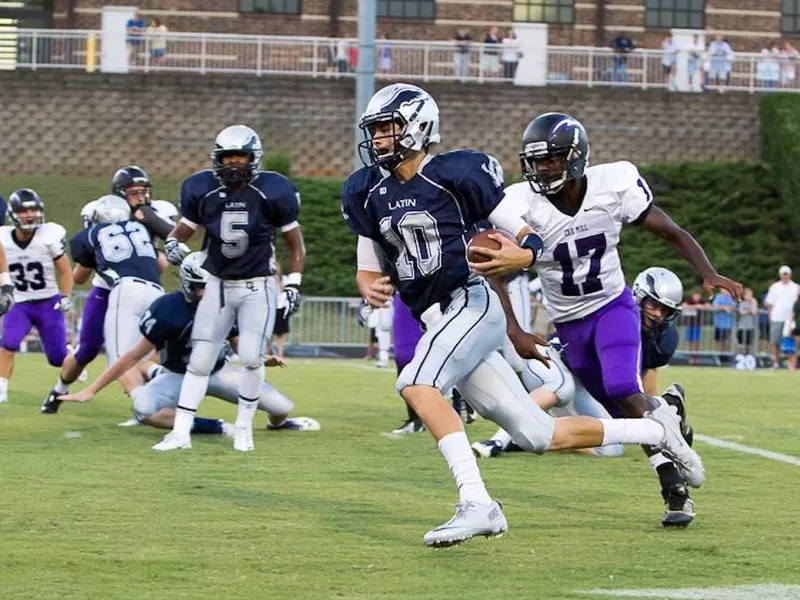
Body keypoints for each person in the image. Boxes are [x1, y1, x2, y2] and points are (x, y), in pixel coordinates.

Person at [343, 83, 703, 548]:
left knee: (416, 383)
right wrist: (366, 281)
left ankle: (478, 504)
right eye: (375, 131)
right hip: (436, 318)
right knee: (538, 434)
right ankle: (658, 428)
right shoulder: (366, 188)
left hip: (469, 302)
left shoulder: (457, 172)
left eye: (388, 128)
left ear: (418, 127)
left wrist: (526, 257)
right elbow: (369, 250)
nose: (379, 140)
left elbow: (522, 231)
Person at [469, 112, 742, 530]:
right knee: (626, 413)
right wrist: (515, 330)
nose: (542, 168)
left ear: (575, 158)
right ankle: (670, 428)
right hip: (569, 323)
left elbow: (671, 231)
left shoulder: (612, 185)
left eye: (552, 159)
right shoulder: (520, 204)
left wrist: (708, 272)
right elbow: (496, 273)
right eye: (536, 161)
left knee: (621, 387)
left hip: (612, 307)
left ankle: (676, 486)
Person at [473, 267, 697, 527]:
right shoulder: (618, 317)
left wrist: (659, 417)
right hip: (552, 362)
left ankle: (524, 439)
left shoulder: (663, 338)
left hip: (584, 384)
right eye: (654, 305)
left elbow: (645, 384)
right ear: (639, 297)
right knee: (562, 386)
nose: (658, 314)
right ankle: (498, 441)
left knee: (612, 448)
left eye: (665, 310)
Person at [157, 124, 306, 452]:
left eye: (241, 156)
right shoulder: (201, 189)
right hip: (218, 285)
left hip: (258, 286)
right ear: (217, 159)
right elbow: (181, 231)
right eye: (228, 157)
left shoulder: (273, 190)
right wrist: (171, 243)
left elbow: (295, 244)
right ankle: (180, 432)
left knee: (252, 357)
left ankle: (243, 427)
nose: (234, 164)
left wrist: (293, 283)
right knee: (199, 360)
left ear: (254, 158)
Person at [59, 253, 319, 434]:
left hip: (218, 371)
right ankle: (215, 427)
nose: (208, 293)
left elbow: (238, 342)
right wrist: (91, 390)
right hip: (179, 375)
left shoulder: (226, 301)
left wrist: (261, 359)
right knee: (143, 408)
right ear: (187, 284)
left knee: (281, 408)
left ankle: (277, 426)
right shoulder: (167, 309)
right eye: (201, 287)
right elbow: (131, 356)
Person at [41, 167, 175, 414]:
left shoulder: (155, 213)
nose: (139, 198)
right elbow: (81, 275)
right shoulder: (103, 210)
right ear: (120, 194)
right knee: (88, 349)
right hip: (106, 289)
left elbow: (163, 264)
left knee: (146, 348)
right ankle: (59, 389)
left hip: (137, 285)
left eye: (142, 192)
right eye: (133, 193)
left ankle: (147, 402)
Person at [0, 190, 73, 404]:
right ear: (13, 214)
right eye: (23, 210)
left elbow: (66, 271)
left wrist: (66, 295)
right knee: (8, 344)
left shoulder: (48, 236)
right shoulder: (3, 238)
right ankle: (2, 389)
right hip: (20, 301)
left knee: (57, 358)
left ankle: (70, 354)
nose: (29, 214)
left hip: (48, 301)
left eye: (32, 209)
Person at [764, 265, 800, 369]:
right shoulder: (775, 287)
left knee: (793, 342)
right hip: (777, 317)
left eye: (787, 274)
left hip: (790, 319)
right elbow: (769, 303)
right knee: (775, 342)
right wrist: (770, 316)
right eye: (783, 274)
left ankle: (791, 363)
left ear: (790, 275)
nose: (785, 276)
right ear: (780, 275)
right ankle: (776, 362)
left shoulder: (796, 287)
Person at [712, 290, 736, 355]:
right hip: (718, 324)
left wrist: (727, 308)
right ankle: (717, 355)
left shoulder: (731, 297)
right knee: (718, 341)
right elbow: (715, 306)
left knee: (726, 341)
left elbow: (734, 307)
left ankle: (724, 355)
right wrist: (724, 307)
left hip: (728, 324)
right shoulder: (718, 297)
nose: (725, 291)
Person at [736, 287, 759, 356]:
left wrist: (754, 301)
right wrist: (749, 311)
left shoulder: (753, 303)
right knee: (741, 341)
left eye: (751, 295)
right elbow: (741, 312)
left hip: (750, 326)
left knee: (749, 342)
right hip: (742, 326)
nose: (749, 297)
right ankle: (741, 353)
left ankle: (747, 354)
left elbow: (754, 312)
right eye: (748, 295)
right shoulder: (742, 303)